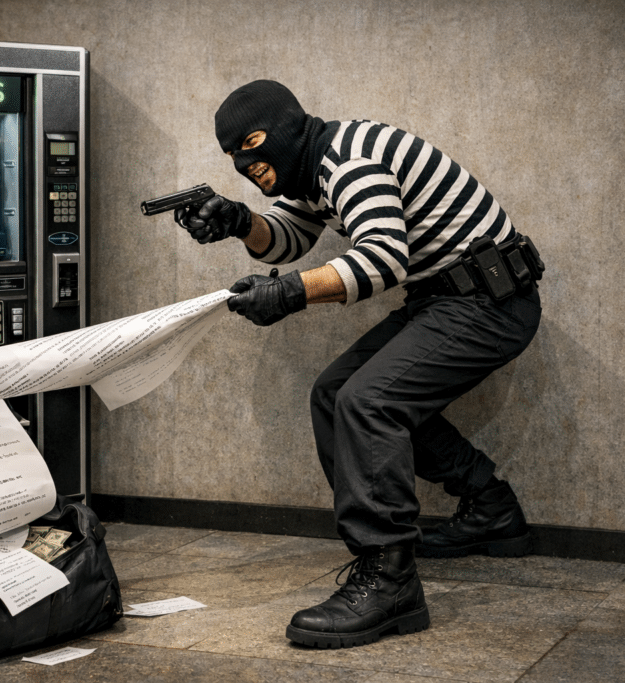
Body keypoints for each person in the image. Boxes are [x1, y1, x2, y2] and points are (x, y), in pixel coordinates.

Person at [175, 80, 544, 649]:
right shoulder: (312, 168)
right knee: (337, 391)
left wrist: (288, 294)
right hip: (450, 298)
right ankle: (489, 505)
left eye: (253, 144)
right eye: (235, 159)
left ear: (289, 126)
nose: (249, 165)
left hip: (488, 302)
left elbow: (382, 258)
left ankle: (390, 578)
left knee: (369, 401)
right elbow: (291, 238)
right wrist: (240, 221)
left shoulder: (348, 161)